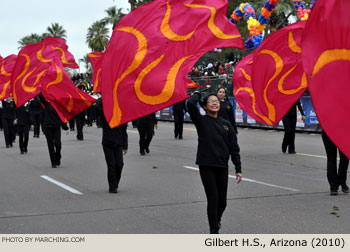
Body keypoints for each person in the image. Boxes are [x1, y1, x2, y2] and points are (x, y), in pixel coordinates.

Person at [187, 91, 242, 234]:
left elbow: (234, 148)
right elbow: (190, 104)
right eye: (211, 101)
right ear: (204, 106)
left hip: (222, 165)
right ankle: (213, 230)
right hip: (206, 165)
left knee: (222, 201)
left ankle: (215, 220)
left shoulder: (226, 125)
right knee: (213, 198)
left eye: (216, 101)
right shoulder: (201, 121)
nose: (215, 103)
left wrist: (238, 168)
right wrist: (198, 94)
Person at [95, 98, 128, 193]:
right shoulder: (106, 115)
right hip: (107, 143)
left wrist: (125, 146)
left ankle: (115, 183)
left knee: (119, 165)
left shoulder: (122, 116)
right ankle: (112, 186)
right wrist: (106, 95)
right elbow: (97, 106)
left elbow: (124, 132)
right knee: (112, 165)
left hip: (119, 144)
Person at [39, 94, 70, 168]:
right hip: (48, 127)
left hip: (56, 127)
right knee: (50, 145)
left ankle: (58, 157)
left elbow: (61, 118)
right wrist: (39, 85)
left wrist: (66, 128)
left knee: (58, 144)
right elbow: (41, 96)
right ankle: (53, 162)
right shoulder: (47, 104)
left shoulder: (59, 106)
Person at [321, 130, 349, 195]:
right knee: (331, 159)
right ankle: (333, 186)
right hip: (328, 131)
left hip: (343, 131)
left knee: (345, 158)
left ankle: (342, 181)